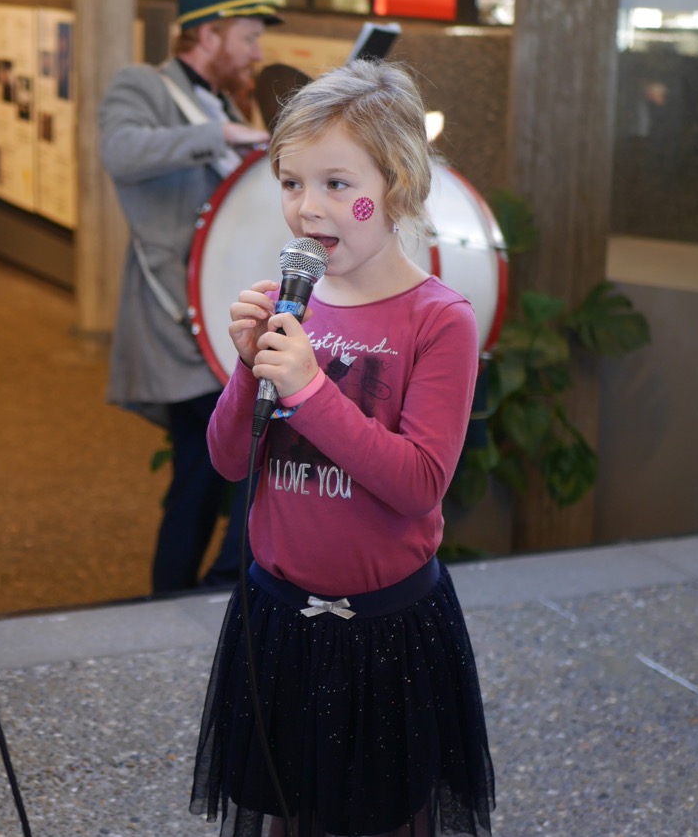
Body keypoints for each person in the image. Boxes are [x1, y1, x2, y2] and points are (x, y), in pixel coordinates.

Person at [189, 59, 495, 836]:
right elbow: (229, 459)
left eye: (336, 183)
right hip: (278, 620)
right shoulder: (292, 306)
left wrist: (310, 389)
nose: (307, 207)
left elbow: (419, 482)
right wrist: (249, 369)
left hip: (385, 634)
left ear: (396, 185)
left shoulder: (439, 319)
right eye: (291, 183)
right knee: (285, 813)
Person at [99, 0, 281, 594]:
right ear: (208, 33)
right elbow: (120, 151)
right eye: (248, 38)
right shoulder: (142, 84)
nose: (257, 53)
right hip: (175, 321)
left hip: (220, 325)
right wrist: (221, 135)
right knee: (225, 463)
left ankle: (185, 596)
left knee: (204, 475)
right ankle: (204, 590)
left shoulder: (224, 102)